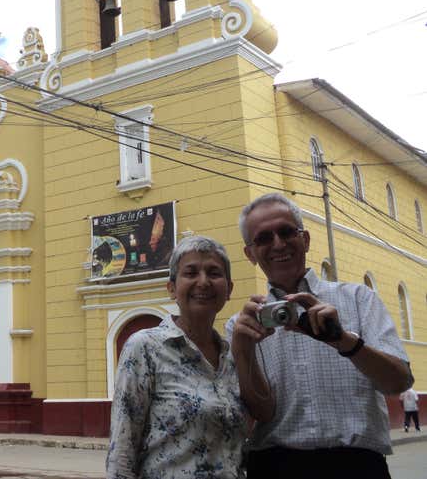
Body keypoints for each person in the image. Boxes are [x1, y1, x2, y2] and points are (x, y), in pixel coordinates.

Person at [229, 192, 413, 479]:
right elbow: (259, 415)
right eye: (263, 238)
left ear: (305, 239)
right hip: (275, 466)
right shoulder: (243, 327)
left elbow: (398, 382)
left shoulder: (358, 299)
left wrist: (345, 342)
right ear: (250, 253)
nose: (278, 243)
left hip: (357, 465)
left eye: (287, 231)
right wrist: (244, 351)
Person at [107, 236, 246, 479]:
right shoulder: (145, 348)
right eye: (191, 273)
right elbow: (122, 450)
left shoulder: (233, 357)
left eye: (214, 273)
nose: (203, 282)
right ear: (171, 288)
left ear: (229, 289)